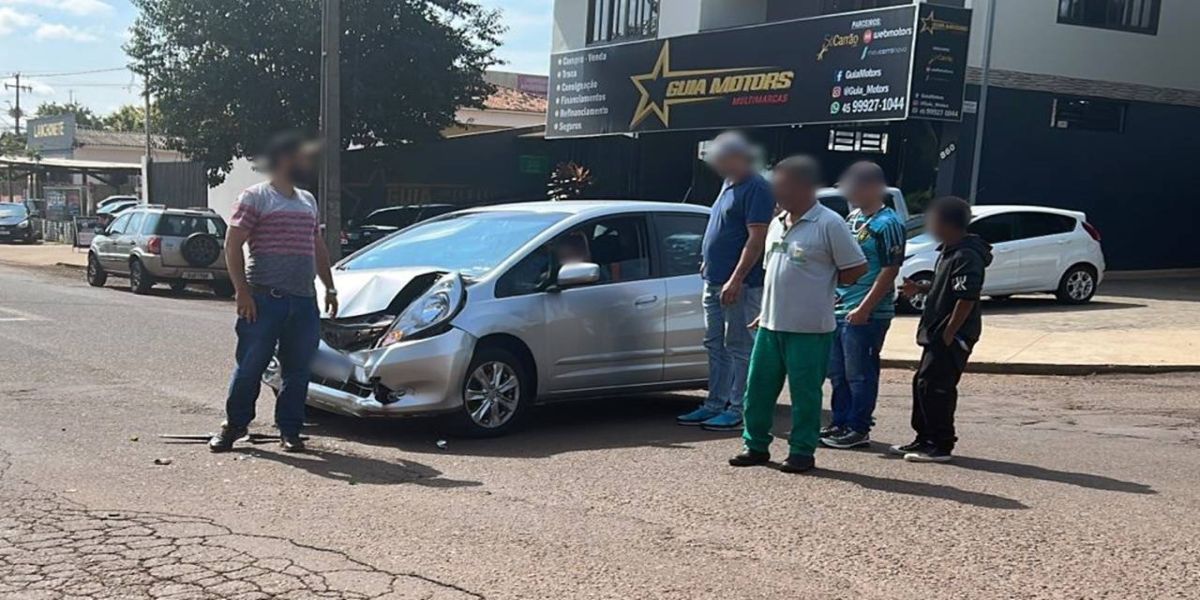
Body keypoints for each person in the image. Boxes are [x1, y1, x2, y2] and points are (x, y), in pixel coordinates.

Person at [730, 156, 867, 473]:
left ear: (805, 187)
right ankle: (756, 446)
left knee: (805, 394)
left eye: (781, 184)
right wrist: (765, 310)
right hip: (770, 324)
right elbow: (776, 271)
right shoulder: (777, 223)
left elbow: (856, 267)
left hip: (810, 328)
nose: (774, 190)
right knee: (758, 390)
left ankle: (802, 451)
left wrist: (824, 286)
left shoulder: (829, 223)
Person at [209, 132, 339, 454]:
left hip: (303, 300)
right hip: (265, 299)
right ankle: (234, 425)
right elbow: (232, 244)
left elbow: (317, 246)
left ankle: (290, 430)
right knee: (251, 365)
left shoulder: (308, 200)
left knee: (297, 370)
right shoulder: (255, 197)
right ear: (284, 159)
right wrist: (242, 292)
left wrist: (329, 286)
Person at [677, 132, 775, 431]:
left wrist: (736, 278)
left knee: (738, 345)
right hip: (714, 278)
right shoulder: (728, 183)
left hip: (740, 284)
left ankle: (737, 407)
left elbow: (756, 238)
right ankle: (714, 402)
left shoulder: (757, 187)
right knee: (715, 343)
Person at [894, 197, 992, 463]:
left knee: (937, 387)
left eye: (933, 221)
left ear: (948, 224)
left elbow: (967, 297)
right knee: (922, 384)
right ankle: (923, 438)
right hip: (935, 331)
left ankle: (940, 444)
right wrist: (921, 289)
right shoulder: (948, 251)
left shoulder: (966, 255)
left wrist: (950, 333)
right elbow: (944, 286)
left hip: (953, 334)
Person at [821, 162, 907, 450]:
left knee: (860, 372)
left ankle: (858, 428)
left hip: (867, 313)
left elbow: (890, 269)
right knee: (838, 372)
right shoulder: (853, 217)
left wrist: (866, 307)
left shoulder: (889, 223)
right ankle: (840, 421)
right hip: (840, 307)